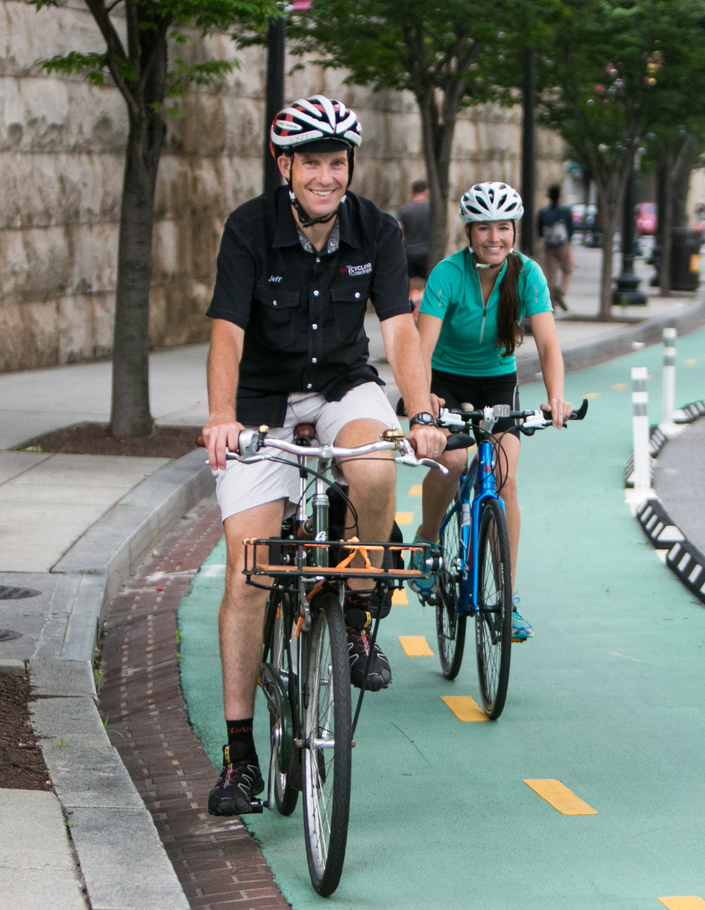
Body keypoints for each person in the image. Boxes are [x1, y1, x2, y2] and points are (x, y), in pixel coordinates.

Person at [200, 94, 447, 817]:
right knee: (249, 570)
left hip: (343, 384)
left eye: (336, 162)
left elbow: (398, 329)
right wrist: (221, 416)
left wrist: (421, 413)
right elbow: (226, 333)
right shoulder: (248, 228)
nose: (325, 176)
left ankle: (358, 614)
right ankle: (239, 756)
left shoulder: (378, 229)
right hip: (262, 398)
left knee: (374, 466)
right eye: (310, 162)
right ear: (284, 166)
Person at [410, 182, 572, 642]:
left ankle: (506, 598)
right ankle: (427, 542)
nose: (494, 237)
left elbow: (548, 344)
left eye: (503, 227)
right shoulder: (446, 274)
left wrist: (556, 397)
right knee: (452, 459)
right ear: (469, 232)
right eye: (484, 228)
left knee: (503, 477)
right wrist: (422, 400)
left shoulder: (528, 275)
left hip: (497, 382)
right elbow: (422, 348)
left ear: (515, 231)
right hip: (445, 380)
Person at [536, 185, 574, 311]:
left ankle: (552, 303)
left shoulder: (543, 212)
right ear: (559, 195)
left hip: (549, 245)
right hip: (562, 244)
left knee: (551, 274)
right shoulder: (565, 211)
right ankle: (561, 291)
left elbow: (540, 232)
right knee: (567, 269)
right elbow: (570, 228)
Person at [397, 179, 431, 308]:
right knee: (428, 283)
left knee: (408, 284)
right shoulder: (432, 209)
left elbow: (397, 230)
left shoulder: (404, 210)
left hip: (409, 252)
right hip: (427, 252)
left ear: (412, 191)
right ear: (426, 192)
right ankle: (423, 308)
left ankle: (410, 307)